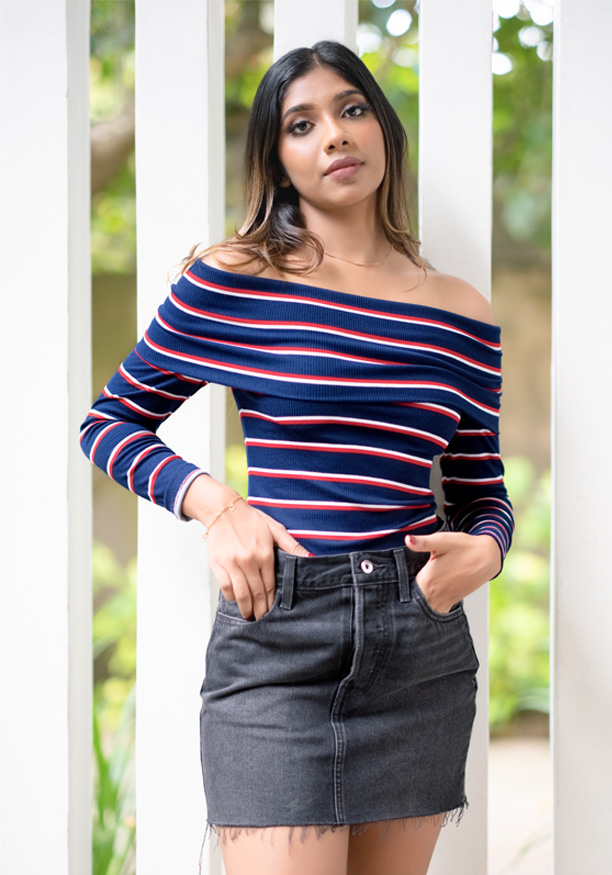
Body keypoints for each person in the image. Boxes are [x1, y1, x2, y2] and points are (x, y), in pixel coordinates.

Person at [81, 40, 513, 875]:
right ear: (277, 162)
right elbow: (112, 421)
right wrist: (217, 504)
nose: (335, 136)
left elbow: (479, 488)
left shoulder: (462, 312)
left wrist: (487, 549)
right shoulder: (235, 280)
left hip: (416, 643)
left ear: (383, 130)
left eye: (352, 111)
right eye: (301, 124)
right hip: (280, 636)